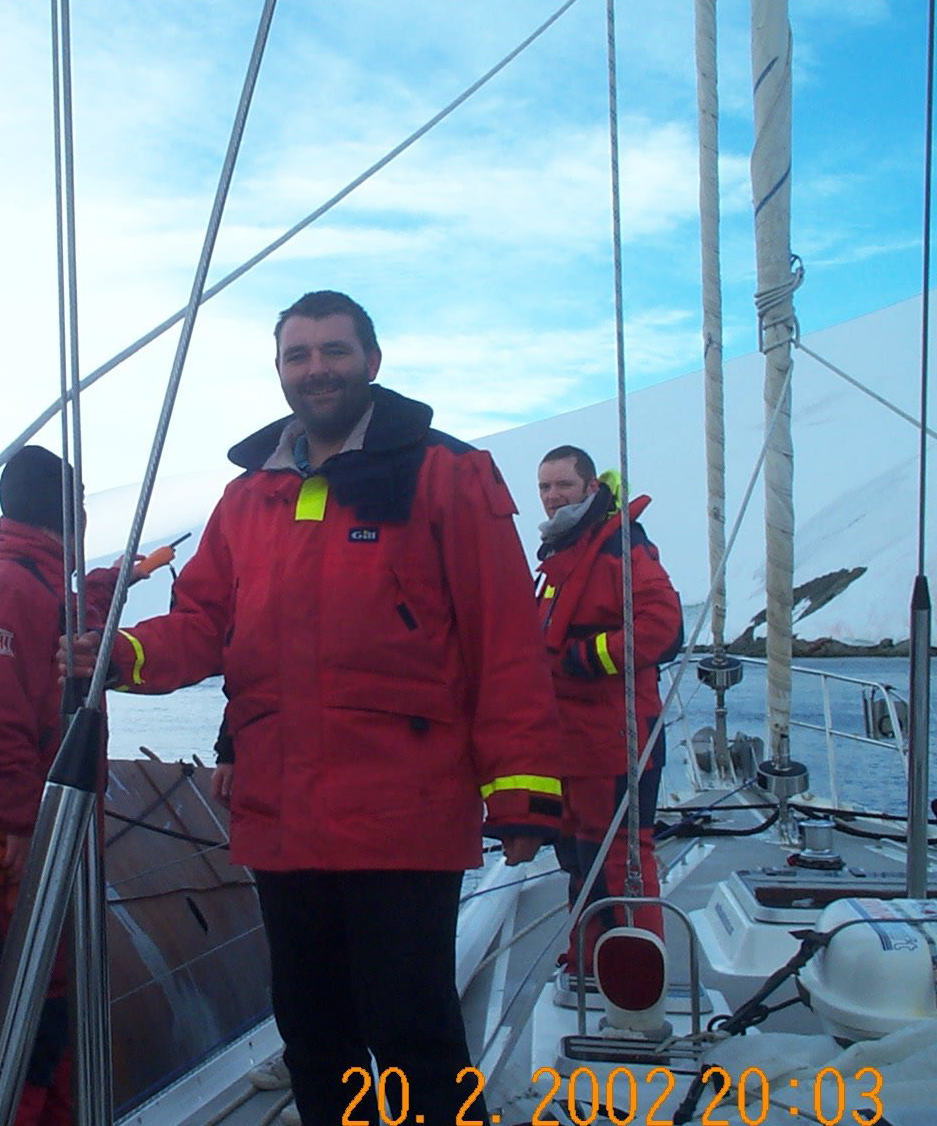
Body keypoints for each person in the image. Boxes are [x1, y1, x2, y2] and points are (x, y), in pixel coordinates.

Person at [70, 290, 563, 1126]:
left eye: (334, 351)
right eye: (298, 355)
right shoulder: (247, 499)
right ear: (279, 371)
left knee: (413, 1035)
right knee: (313, 1034)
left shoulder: (449, 475)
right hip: (285, 816)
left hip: (403, 814)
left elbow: (505, 639)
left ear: (372, 361)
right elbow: (203, 625)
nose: (316, 369)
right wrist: (122, 656)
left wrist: (522, 790)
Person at [0, 445, 133, 1126]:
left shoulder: (36, 586)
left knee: (53, 1024)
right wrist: (25, 828)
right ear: (68, 512)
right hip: (6, 845)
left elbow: (67, 620)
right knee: (28, 1028)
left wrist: (115, 580)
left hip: (42, 837)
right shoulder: (10, 591)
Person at [535, 445, 683, 965]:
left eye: (564, 485)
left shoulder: (620, 547)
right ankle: (590, 955)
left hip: (616, 738)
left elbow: (664, 628)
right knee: (579, 854)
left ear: (591, 488)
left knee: (619, 859)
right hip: (574, 742)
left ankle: (634, 979)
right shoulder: (565, 552)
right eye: (545, 487)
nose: (553, 496)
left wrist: (583, 658)